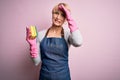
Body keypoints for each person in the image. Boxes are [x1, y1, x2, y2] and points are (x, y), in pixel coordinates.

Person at [26, 3, 83, 80]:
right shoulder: (40, 34)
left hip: (63, 77)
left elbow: (78, 42)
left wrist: (70, 19)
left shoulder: (67, 34)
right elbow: (36, 62)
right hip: (44, 77)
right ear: (52, 14)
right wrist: (32, 45)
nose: (58, 17)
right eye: (56, 13)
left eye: (63, 15)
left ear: (66, 18)